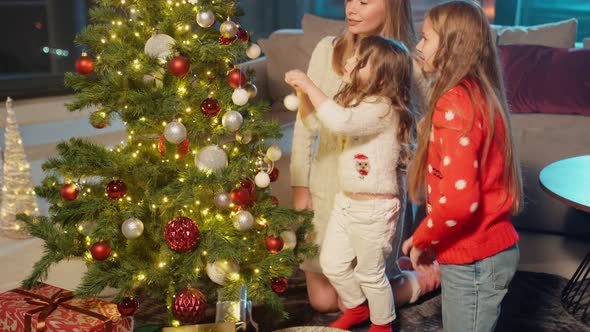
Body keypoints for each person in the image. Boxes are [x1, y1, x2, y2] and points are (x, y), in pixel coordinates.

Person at [289, 0, 441, 315]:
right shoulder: (326, 50)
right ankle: (393, 277)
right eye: (349, 0)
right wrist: (299, 187)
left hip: (374, 200)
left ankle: (424, 280)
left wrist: (412, 184)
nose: (351, 8)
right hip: (326, 187)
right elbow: (306, 126)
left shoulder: (405, 63)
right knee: (324, 301)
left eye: (364, 2)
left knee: (356, 299)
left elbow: (426, 125)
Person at [402, 1, 523, 332]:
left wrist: (424, 236)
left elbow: (459, 201)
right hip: (483, 251)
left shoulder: (455, 103)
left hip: (475, 259)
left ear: (451, 45)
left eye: (425, 38)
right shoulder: (477, 94)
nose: (418, 45)